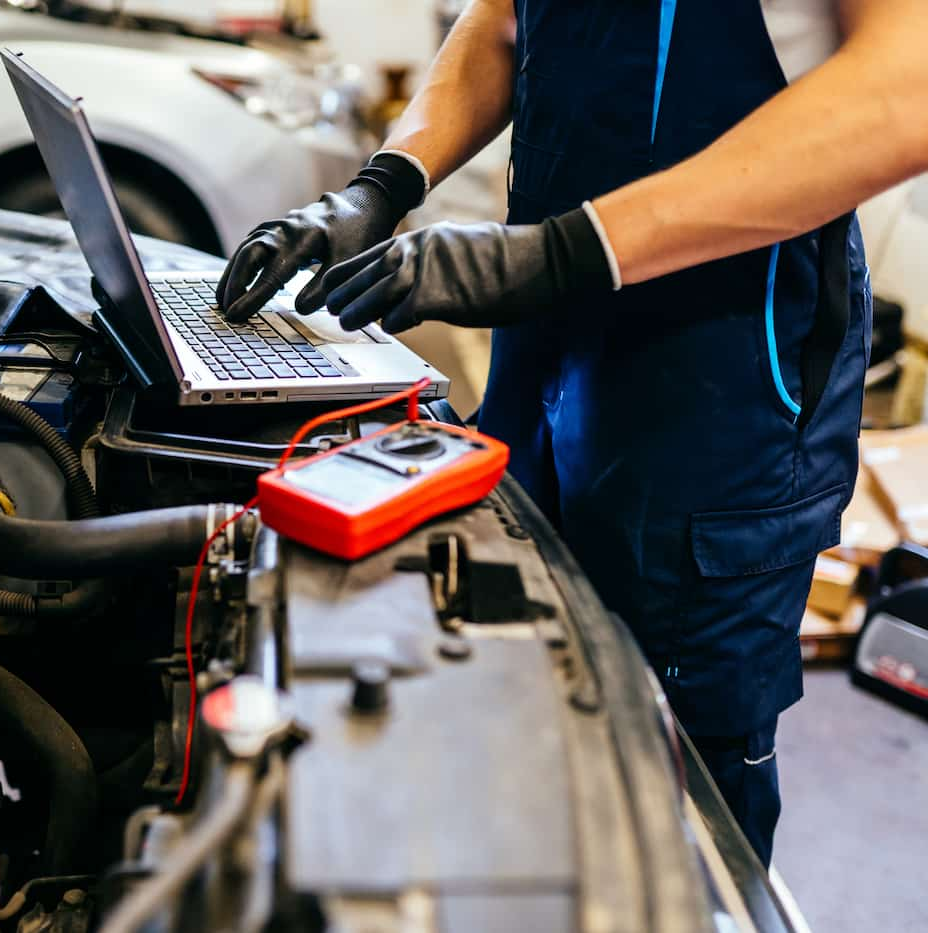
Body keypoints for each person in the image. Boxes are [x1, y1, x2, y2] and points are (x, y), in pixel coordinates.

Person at [216, 0, 928, 866]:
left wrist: (555, 256)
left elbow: (906, 89)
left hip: (721, 392)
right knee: (514, 700)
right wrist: (383, 186)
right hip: (543, 353)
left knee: (679, 801)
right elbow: (508, 21)